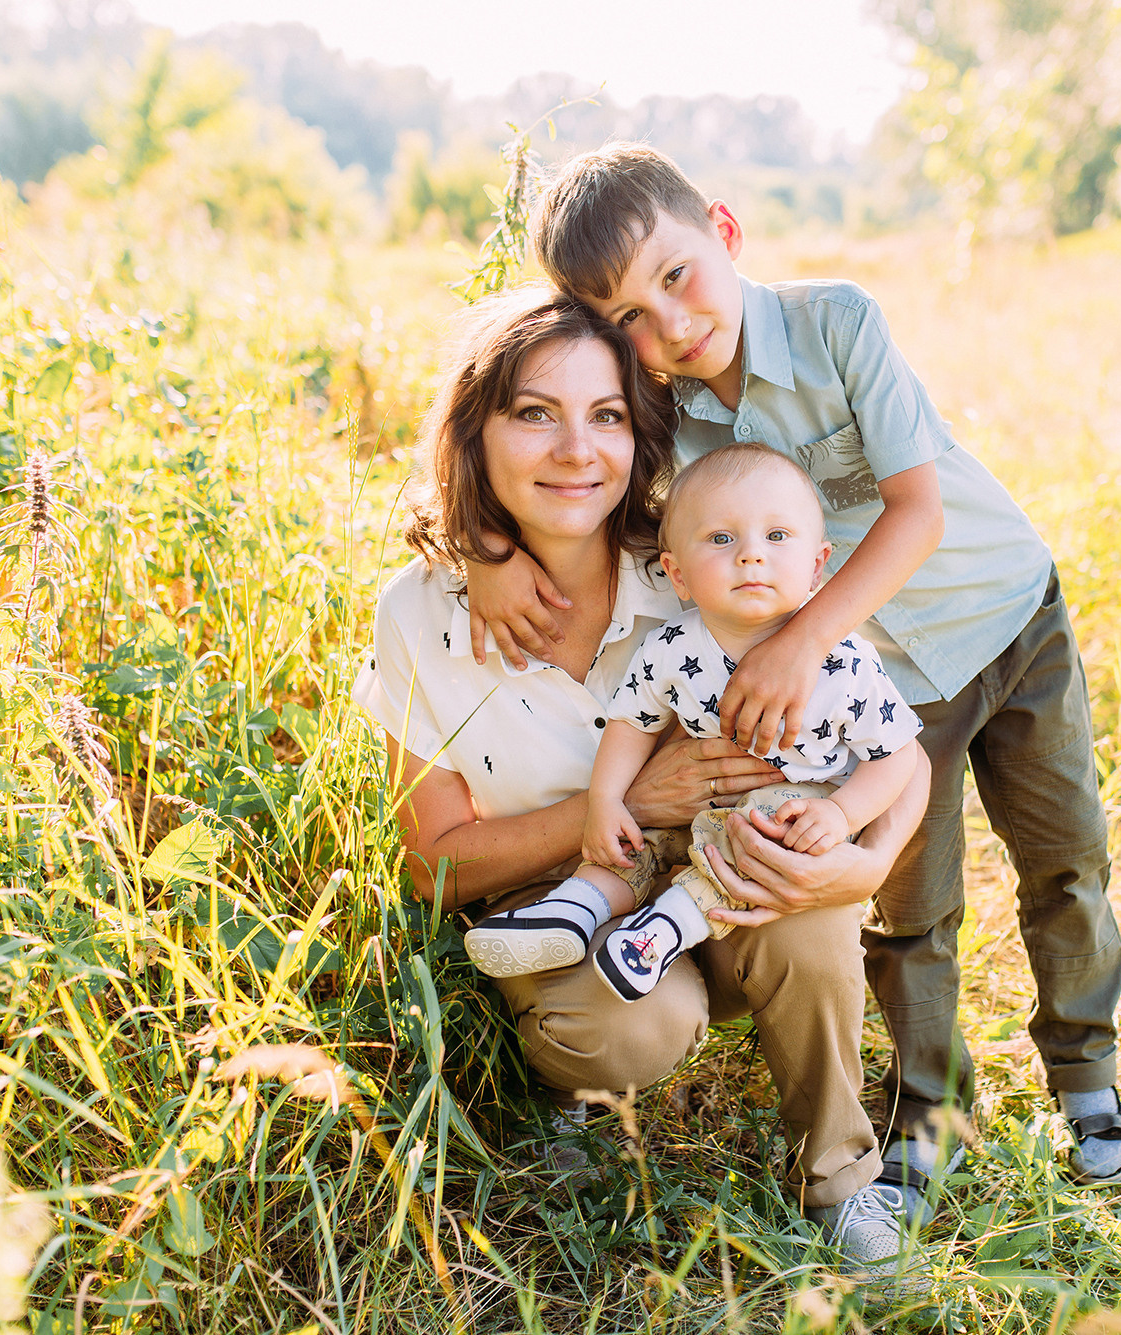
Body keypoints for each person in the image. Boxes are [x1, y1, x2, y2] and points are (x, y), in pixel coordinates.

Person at [464, 144, 1121, 1209]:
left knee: (1064, 859)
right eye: (628, 319)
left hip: (1007, 616)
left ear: (723, 232)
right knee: (908, 902)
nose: (669, 327)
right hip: (891, 683)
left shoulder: (837, 323)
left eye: (676, 278)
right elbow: (568, 489)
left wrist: (796, 642)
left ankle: (1086, 1082)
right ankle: (926, 1115)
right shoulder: (666, 418)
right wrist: (482, 552)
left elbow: (916, 510)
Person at [353, 288, 933, 1275]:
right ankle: (577, 1092)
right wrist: (626, 804)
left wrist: (859, 863)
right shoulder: (420, 615)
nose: (576, 450)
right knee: (628, 1027)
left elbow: (894, 749)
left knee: (801, 910)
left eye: (607, 416)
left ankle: (837, 1179)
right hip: (569, 902)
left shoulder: (702, 561)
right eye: (534, 413)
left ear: (639, 438)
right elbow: (432, 869)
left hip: (736, 864)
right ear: (474, 432)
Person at [466, 442, 921, 1002]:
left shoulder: (841, 660)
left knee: (760, 832)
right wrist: (607, 801)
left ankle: (660, 934)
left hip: (790, 811)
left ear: (817, 565)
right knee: (633, 834)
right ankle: (575, 908)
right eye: (722, 539)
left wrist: (840, 811)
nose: (751, 556)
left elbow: (897, 753)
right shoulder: (673, 644)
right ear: (678, 576)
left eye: (777, 537)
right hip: (695, 807)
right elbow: (632, 724)